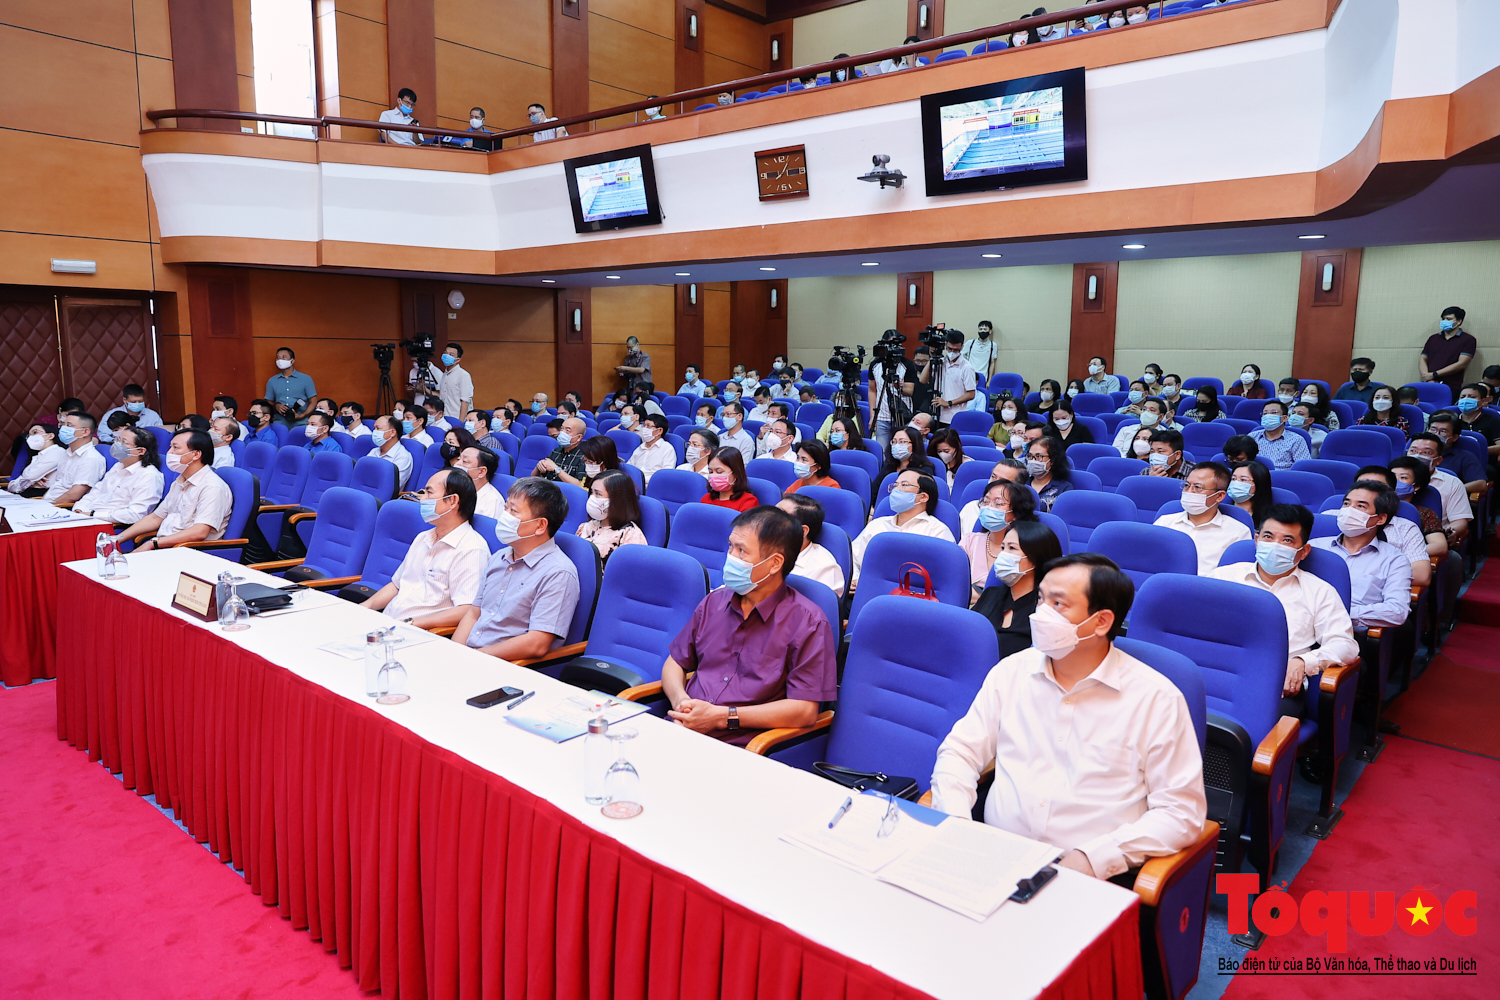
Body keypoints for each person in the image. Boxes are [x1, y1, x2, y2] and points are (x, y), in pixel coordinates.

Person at [931, 554, 1206, 881]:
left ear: (1101, 622)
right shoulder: (1012, 671)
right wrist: (956, 822)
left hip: (1091, 875)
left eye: (1058, 604)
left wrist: (1096, 858)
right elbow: (960, 752)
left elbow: (1181, 812)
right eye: (1041, 599)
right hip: (992, 856)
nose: (1040, 614)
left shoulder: (1156, 699)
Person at [661, 505, 836, 746]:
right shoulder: (715, 601)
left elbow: (804, 710)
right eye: (730, 547)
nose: (731, 557)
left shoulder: (808, 623)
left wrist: (721, 717)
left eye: (742, 551)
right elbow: (675, 662)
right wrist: (681, 701)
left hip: (742, 747)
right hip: (681, 729)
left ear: (775, 563)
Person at [1209, 505, 1358, 715]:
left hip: (1275, 686)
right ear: (1257, 540)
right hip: (1215, 673)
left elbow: (1345, 645)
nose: (1275, 546)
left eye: (1287, 540)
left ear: (1303, 551)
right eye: (1268, 537)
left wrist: (1303, 662)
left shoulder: (1319, 591)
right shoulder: (1221, 577)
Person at [454, 479, 580, 660]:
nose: (504, 516)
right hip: (469, 657)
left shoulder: (558, 573)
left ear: (540, 525)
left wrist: (471, 659)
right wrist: (454, 654)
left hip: (505, 665)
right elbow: (474, 614)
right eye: (505, 508)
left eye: (513, 511)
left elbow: (536, 643)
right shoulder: (499, 557)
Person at [361, 469, 488, 628]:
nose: (422, 499)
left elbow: (466, 609)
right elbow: (397, 585)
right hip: (389, 623)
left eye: (429, 493)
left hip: (419, 631)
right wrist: (364, 607)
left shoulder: (471, 549)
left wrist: (410, 623)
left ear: (452, 501)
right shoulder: (423, 538)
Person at [114, 429, 233, 551]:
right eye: (170, 447)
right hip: (165, 547)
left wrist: (153, 543)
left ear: (196, 454)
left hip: (189, 552)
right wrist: (116, 539)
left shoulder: (212, 487)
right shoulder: (179, 481)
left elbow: (199, 532)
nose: (169, 452)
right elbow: (155, 518)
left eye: (175, 448)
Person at [971, 518, 1063, 656]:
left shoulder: (1045, 608)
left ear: (1035, 559)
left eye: (1012, 548)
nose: (1003, 555)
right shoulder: (991, 594)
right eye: (1003, 548)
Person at [851, 471, 954, 586]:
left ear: (923, 497)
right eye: (895, 485)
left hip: (913, 594)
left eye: (904, 485)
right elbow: (852, 558)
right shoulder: (877, 524)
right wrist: (854, 579)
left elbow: (945, 576)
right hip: (865, 588)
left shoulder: (938, 531)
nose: (896, 490)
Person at [1153, 463, 1250, 574]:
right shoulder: (1164, 522)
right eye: (1187, 485)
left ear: (1219, 496)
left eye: (1198, 487)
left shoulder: (1238, 533)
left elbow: (1236, 575)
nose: (1189, 491)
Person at [960, 480, 1038, 601]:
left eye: (998, 503)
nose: (989, 507)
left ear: (1016, 513)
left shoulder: (1026, 548)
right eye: (986, 501)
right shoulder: (970, 540)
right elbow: (954, 584)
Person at [73, 425, 164, 524]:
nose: (117, 444)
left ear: (141, 451)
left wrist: (93, 514)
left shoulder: (149, 476)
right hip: (87, 517)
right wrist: (79, 509)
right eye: (118, 439)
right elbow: (94, 493)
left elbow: (136, 515)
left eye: (124, 442)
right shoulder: (118, 466)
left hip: (109, 524)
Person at [1406, 433, 1471, 545]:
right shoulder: (1391, 478)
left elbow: (1460, 520)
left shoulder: (1452, 483)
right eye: (1413, 451)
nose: (1417, 456)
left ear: (1438, 460)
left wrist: (1451, 532)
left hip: (1434, 539)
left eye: (1426, 452)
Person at [777, 493, 846, 597]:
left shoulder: (824, 568)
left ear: (802, 531)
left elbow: (822, 606)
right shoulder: (758, 546)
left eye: (778, 518)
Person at [576, 470, 647, 562]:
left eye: (598, 494)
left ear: (617, 500)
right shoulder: (587, 526)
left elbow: (631, 568)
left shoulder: (630, 535)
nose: (592, 498)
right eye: (591, 492)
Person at [43, 412, 105, 505]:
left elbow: (73, 496)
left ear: (85, 432)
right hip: (48, 502)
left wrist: (46, 506)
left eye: (69, 425)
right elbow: (57, 486)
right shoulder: (66, 453)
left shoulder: (91, 458)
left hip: (62, 507)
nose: (63, 428)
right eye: (63, 424)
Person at [918, 330, 977, 424]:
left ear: (962, 347)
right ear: (945, 345)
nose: (952, 352)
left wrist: (949, 402)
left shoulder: (967, 367)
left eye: (956, 350)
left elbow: (971, 394)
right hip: (936, 415)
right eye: (949, 349)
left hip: (954, 417)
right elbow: (923, 380)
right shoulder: (940, 362)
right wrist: (932, 358)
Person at [1419, 306, 1477, 399]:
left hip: (1451, 386)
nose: (1444, 321)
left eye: (1449, 319)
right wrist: (1426, 376)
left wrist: (1434, 374)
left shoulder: (1468, 340)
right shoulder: (1433, 338)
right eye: (1443, 319)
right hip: (1428, 384)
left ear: (1459, 321)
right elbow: (1423, 358)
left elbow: (1461, 364)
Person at [958, 459, 1028, 533]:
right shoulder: (971, 508)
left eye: (1002, 481)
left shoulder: (1025, 520)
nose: (994, 483)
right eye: (993, 477)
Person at [867, 344, 915, 450]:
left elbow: (909, 391)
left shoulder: (906, 364)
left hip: (902, 415)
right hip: (882, 416)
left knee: (901, 450)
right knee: (882, 451)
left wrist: (899, 387)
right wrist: (872, 416)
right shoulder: (875, 364)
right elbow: (872, 390)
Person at [1427, 411, 1487, 490]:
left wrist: (1452, 490)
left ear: (1454, 437)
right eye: (1433, 429)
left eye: (1443, 431)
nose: (1436, 434)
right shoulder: (1416, 451)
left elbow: (1481, 484)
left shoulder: (1465, 457)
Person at [1250, 400, 1311, 469]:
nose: (1268, 416)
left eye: (1274, 412)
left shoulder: (1296, 440)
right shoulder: (1252, 437)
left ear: (1285, 418)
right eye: (1265, 413)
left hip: (1283, 475)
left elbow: (1303, 467)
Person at [6, 424, 64, 496]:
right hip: (29, 492)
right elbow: (12, 486)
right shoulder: (38, 456)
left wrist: (30, 480)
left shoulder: (56, 452)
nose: (31, 437)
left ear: (50, 436)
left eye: (35, 432)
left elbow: (30, 476)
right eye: (29, 435)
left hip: (44, 494)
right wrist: (32, 481)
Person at [266, 346, 316, 427]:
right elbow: (268, 401)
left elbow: (313, 401)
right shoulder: (272, 381)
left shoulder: (306, 379)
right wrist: (276, 405)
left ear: (292, 361)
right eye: (278, 357)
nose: (280, 360)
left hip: (302, 423)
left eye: (284, 357)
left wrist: (302, 415)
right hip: (280, 423)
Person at [532, 415, 589, 485]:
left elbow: (580, 485)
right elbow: (534, 479)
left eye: (567, 430)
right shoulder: (556, 451)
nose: (562, 433)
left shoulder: (585, 456)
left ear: (579, 437)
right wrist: (538, 466)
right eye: (562, 429)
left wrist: (556, 469)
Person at [99, 383, 163, 442]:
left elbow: (161, 434)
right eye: (134, 402)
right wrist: (116, 441)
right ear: (125, 400)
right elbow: (103, 435)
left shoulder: (153, 416)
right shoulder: (112, 415)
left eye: (140, 401)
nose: (137, 404)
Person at [1025, 435, 1073, 511]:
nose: (1032, 461)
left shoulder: (1064, 489)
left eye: (1038, 456)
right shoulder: (1021, 483)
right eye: (1030, 456)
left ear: (1053, 460)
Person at [702, 447, 759, 511]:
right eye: (711, 472)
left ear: (735, 473)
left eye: (719, 472)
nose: (713, 476)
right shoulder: (706, 498)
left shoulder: (748, 502)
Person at [455, 445, 503, 519]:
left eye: (465, 461)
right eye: (458, 459)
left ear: (481, 472)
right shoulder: (453, 488)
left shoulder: (491, 502)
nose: (457, 464)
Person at [628, 413, 676, 485]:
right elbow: (629, 467)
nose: (644, 429)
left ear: (659, 430)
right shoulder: (640, 447)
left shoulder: (667, 449)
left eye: (648, 426)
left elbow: (666, 475)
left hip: (653, 485)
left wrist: (640, 479)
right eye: (644, 425)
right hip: (633, 484)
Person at [371, 414, 414, 489]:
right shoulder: (374, 451)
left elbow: (390, 486)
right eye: (374, 428)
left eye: (378, 428)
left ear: (393, 432)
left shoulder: (402, 457)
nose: (374, 432)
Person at [1228, 459, 1272, 525]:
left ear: (1259, 484)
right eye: (1233, 479)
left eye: (1243, 480)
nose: (1236, 483)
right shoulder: (1221, 511)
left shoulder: (1268, 520)